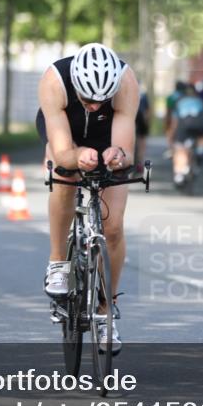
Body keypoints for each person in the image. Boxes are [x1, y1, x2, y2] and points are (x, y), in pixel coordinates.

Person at [36, 42, 139, 355]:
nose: (94, 105)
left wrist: (116, 155)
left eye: (100, 100)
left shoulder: (125, 82)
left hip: (106, 134)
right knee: (65, 175)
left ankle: (108, 308)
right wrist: (78, 156)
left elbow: (126, 151)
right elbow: (64, 152)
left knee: (114, 228)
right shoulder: (54, 82)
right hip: (66, 133)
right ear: (76, 87)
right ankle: (58, 263)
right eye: (87, 99)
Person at [171, 83, 203, 187]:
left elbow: (175, 121)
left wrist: (172, 135)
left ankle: (180, 173)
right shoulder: (200, 101)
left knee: (180, 148)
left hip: (184, 124)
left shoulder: (179, 101)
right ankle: (201, 150)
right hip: (200, 124)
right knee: (201, 134)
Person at [163, 80, 187, 158]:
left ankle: (171, 149)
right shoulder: (186, 96)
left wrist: (166, 121)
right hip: (186, 118)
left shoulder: (171, 97)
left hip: (175, 118)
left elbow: (168, 110)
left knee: (170, 133)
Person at [135, 87, 150, 173]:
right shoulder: (143, 94)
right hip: (140, 117)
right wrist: (146, 122)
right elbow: (147, 111)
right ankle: (140, 162)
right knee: (141, 139)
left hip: (132, 116)